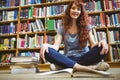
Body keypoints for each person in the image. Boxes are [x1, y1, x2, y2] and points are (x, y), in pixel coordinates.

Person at [40, 0, 110, 73]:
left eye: (78, 9)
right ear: (69, 10)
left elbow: (93, 45)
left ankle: (63, 66)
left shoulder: (86, 26)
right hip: (68, 57)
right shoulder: (62, 28)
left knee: (102, 48)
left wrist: (102, 42)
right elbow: (56, 46)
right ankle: (87, 67)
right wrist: (46, 45)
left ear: (81, 12)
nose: (75, 11)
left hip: (85, 57)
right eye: (73, 8)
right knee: (47, 51)